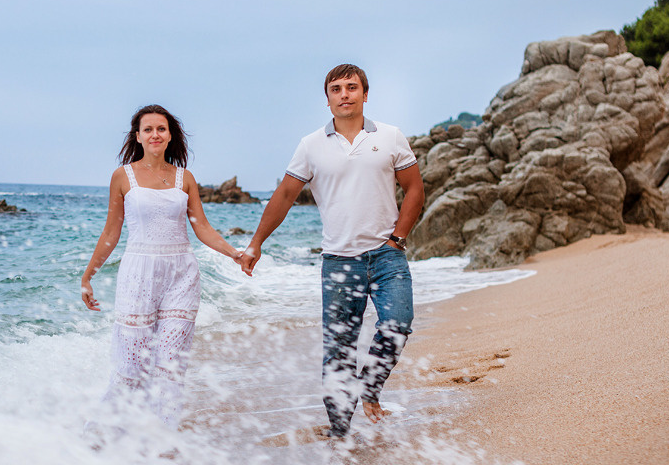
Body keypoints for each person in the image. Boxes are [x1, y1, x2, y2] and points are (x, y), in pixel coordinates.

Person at [238, 64, 425, 438]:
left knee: (398, 324)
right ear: (327, 100)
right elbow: (285, 196)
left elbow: (415, 189)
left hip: (387, 256)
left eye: (352, 87)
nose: (344, 94)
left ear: (365, 94)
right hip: (339, 262)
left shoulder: (389, 137)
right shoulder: (311, 145)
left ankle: (370, 390)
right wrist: (256, 242)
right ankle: (340, 431)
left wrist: (398, 238)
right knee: (339, 350)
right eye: (336, 89)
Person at [81, 104, 243, 426]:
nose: (155, 134)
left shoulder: (185, 178)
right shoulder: (122, 177)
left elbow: (202, 228)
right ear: (138, 136)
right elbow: (112, 231)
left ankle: (160, 441)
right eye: (148, 129)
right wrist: (88, 276)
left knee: (170, 365)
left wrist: (235, 253)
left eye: (161, 129)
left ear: (170, 136)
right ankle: (104, 434)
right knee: (131, 366)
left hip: (181, 274)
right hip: (138, 273)